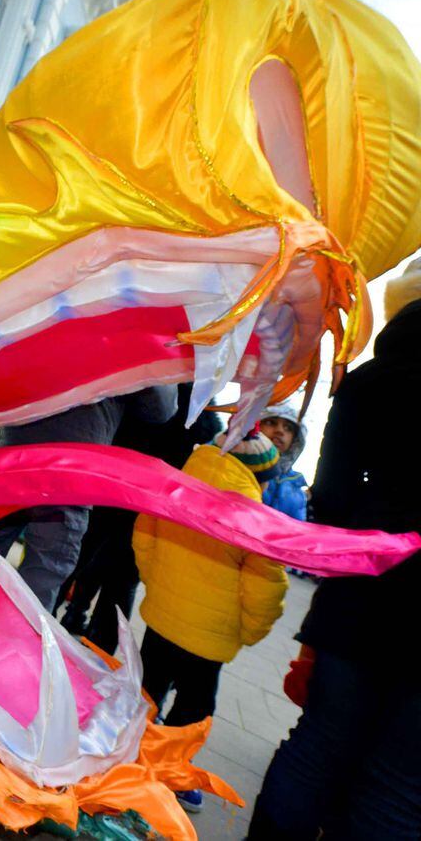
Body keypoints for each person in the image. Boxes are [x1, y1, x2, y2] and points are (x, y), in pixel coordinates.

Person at [247, 260, 421, 840]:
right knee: (400, 787)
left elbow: (332, 495)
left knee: (321, 745)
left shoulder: (376, 378)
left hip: (367, 593)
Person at [133, 427, 288, 813]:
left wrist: (158, 584)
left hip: (162, 616)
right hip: (209, 640)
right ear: (258, 479)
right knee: (194, 707)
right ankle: (170, 773)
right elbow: (266, 590)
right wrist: (247, 632)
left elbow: (144, 536)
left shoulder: (176, 488)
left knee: (146, 689)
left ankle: (126, 752)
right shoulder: (256, 523)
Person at [59, 384, 222, 653]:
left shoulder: (159, 383)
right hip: (140, 498)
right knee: (116, 576)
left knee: (83, 555)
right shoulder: (198, 405)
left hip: (118, 485)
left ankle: (55, 622)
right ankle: (99, 648)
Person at [0, 387, 177, 611]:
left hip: (17, 449)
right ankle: (19, 641)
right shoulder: (135, 352)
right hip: (72, 465)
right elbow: (160, 408)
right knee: (43, 572)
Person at [257, 404, 309, 521]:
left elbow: (297, 531)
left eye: (288, 428)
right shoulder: (233, 463)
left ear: (294, 440)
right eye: (271, 422)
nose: (280, 431)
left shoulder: (296, 485)